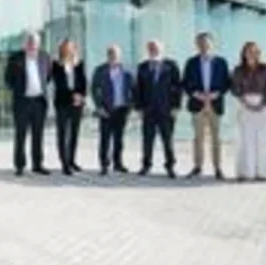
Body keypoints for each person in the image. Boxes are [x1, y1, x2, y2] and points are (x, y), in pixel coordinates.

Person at [182, 32, 231, 180]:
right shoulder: (191, 62)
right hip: (197, 103)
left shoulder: (221, 62)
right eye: (200, 43)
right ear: (196, 45)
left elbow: (227, 83)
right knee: (198, 138)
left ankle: (218, 168)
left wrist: (217, 94)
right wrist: (196, 94)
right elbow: (185, 83)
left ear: (212, 44)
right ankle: (197, 167)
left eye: (206, 43)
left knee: (216, 138)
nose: (204, 46)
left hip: (215, 103)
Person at [4, 30, 51, 177]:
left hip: (39, 102)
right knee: (21, 135)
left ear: (39, 44)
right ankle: (19, 165)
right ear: (25, 43)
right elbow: (8, 79)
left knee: (38, 135)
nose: (32, 44)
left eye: (35, 42)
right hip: (22, 102)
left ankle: (37, 165)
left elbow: (47, 77)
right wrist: (19, 90)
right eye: (29, 41)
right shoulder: (15, 58)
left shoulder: (45, 57)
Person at [135, 40, 181, 178]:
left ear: (161, 49)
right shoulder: (142, 66)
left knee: (167, 139)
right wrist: (139, 107)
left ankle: (170, 166)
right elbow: (138, 88)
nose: (153, 50)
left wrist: (176, 106)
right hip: (148, 109)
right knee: (147, 139)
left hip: (166, 109)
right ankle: (146, 165)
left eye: (155, 48)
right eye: (150, 48)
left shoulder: (171, 65)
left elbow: (177, 87)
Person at [232, 42, 266, 181]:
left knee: (263, 140)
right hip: (244, 106)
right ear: (244, 53)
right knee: (245, 139)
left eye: (255, 51)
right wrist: (245, 102)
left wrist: (262, 103)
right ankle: (246, 172)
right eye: (249, 51)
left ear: (259, 53)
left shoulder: (265, 68)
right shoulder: (238, 70)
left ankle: (262, 172)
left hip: (263, 107)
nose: (252, 54)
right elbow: (235, 89)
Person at [91, 44, 134, 176]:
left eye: (115, 53)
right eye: (110, 53)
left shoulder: (127, 71)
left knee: (119, 139)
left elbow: (133, 90)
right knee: (105, 139)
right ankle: (104, 165)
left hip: (121, 109)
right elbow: (94, 89)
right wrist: (99, 107)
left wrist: (130, 107)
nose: (113, 56)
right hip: (106, 110)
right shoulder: (100, 70)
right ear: (107, 55)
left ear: (119, 55)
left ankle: (118, 164)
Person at [51, 39, 87, 175]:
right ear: (62, 49)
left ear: (74, 49)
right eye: (66, 48)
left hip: (77, 104)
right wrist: (73, 95)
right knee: (63, 134)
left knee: (74, 133)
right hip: (62, 103)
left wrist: (81, 96)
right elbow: (59, 84)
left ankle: (72, 160)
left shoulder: (79, 64)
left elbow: (83, 82)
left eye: (71, 48)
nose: (68, 50)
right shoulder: (56, 64)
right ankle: (64, 164)